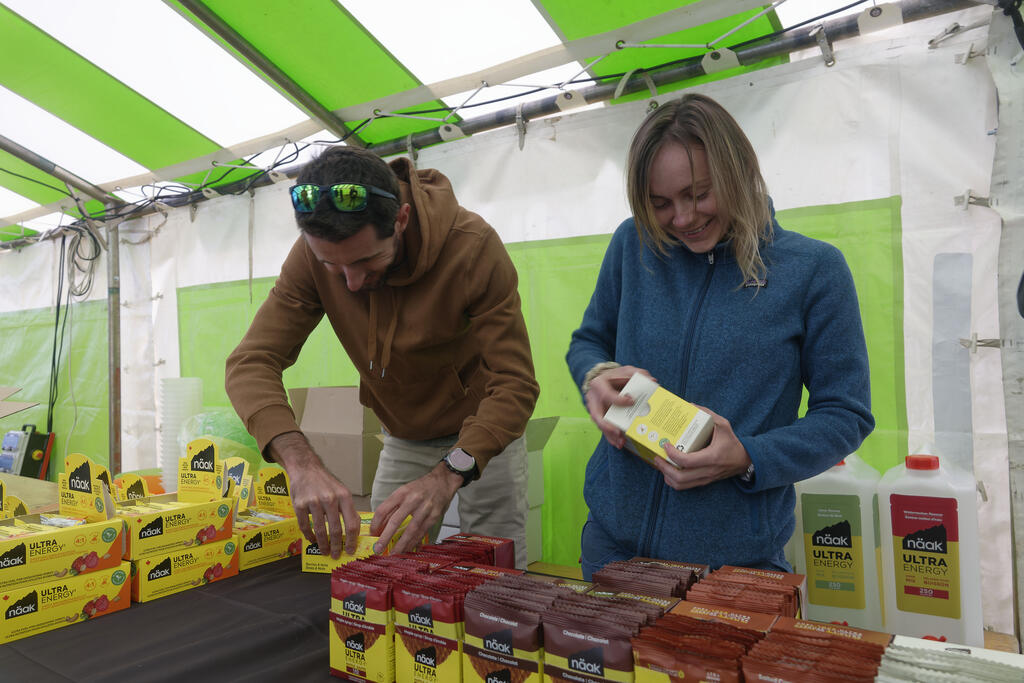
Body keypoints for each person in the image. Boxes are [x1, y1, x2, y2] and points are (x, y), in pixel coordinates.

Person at [566, 93, 874, 580]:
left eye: (699, 194)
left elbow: (845, 415)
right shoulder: (633, 244)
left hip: (735, 564)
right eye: (660, 203)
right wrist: (597, 376)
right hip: (612, 545)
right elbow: (588, 342)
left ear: (739, 171)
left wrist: (748, 457)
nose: (682, 219)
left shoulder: (814, 270)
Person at [226, 146, 538, 567]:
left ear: (401, 219)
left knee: (493, 561)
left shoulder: (473, 248)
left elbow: (515, 383)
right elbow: (252, 362)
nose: (351, 283)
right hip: (404, 434)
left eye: (365, 260)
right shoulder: (311, 257)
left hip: (483, 428)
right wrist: (300, 464)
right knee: (382, 560)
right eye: (333, 267)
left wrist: (449, 472)